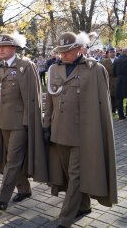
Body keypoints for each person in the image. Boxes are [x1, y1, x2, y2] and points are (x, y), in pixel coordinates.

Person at [43, 32, 118, 228]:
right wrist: (46, 126)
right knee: (68, 175)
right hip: (59, 132)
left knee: (75, 174)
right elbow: (49, 101)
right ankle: (84, 206)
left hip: (83, 133)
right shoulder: (54, 69)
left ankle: (65, 218)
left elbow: (102, 104)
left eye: (68, 51)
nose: (64, 55)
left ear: (80, 49)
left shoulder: (94, 69)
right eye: (61, 52)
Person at [0, 32, 48, 210]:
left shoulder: (25, 66)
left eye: (5, 47)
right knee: (9, 159)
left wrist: (29, 122)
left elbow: (31, 97)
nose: (1, 50)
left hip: (21, 123)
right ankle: (24, 189)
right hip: (3, 122)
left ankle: (2, 199)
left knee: (13, 160)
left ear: (14, 48)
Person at [100, 47, 117, 114]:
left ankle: (115, 108)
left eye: (114, 52)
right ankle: (110, 108)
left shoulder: (118, 60)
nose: (112, 53)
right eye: (111, 52)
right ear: (108, 53)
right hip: (108, 79)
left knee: (116, 95)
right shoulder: (103, 61)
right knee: (109, 94)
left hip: (116, 79)